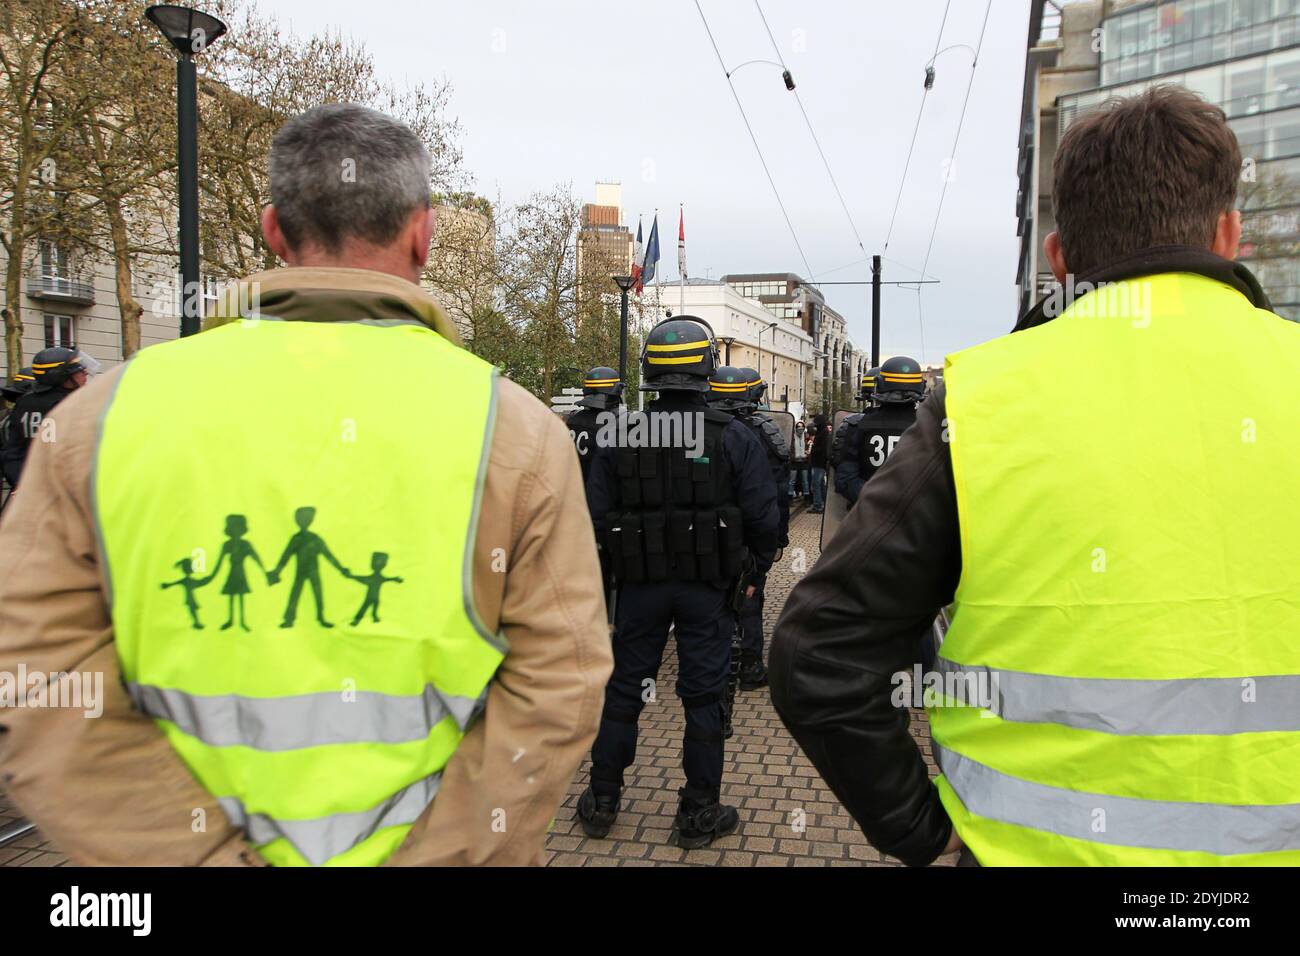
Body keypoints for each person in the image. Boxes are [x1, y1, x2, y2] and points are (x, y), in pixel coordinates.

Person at [0, 103, 612, 867]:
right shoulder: (515, 432)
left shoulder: (99, 418)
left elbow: (36, 681)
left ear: (273, 230)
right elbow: (562, 682)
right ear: (422, 233)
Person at [771, 86, 1300, 867]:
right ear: (1231, 233)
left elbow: (818, 652)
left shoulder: (984, 402)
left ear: (1059, 254)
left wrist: (919, 827)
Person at [578, 319, 779, 850]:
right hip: (708, 591)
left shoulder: (618, 433)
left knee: (624, 690)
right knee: (703, 697)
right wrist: (751, 575)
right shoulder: (735, 435)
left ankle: (602, 801)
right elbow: (766, 521)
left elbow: (594, 517)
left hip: (639, 588)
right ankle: (697, 812)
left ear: (648, 371)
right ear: (707, 367)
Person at [707, 366, 788, 690]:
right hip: (749, 535)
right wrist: (775, 539)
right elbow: (778, 492)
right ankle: (751, 666)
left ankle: (717, 663)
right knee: (750, 597)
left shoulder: (698, 429)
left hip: (708, 533)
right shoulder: (765, 432)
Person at [832, 357, 925, 507]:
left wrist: (877, 502)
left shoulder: (859, 426)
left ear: (880, 385)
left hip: (869, 518)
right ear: (921, 386)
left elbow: (845, 480)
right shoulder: (929, 427)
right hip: (914, 520)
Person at [0, 349, 89, 490]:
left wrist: (19, 484)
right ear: (62, 376)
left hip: (31, 487)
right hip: (67, 488)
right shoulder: (73, 403)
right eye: (78, 371)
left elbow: (13, 450)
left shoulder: (25, 402)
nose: (85, 373)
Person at [566, 365, 622, 485]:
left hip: (574, 491)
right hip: (602, 494)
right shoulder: (618, 423)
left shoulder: (571, 420)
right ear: (617, 392)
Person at [806, 412, 831, 513]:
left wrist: (813, 451)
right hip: (820, 463)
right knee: (820, 484)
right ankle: (823, 504)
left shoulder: (822, 434)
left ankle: (818, 505)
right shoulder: (824, 433)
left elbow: (820, 449)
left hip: (818, 463)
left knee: (816, 484)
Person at [788, 418, 808, 498]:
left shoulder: (805, 437)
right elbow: (790, 448)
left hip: (804, 461)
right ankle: (789, 496)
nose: (800, 429)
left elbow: (808, 448)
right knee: (792, 481)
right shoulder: (792, 437)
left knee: (805, 481)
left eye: (802, 428)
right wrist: (792, 457)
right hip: (794, 462)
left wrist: (807, 455)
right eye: (798, 427)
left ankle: (806, 496)